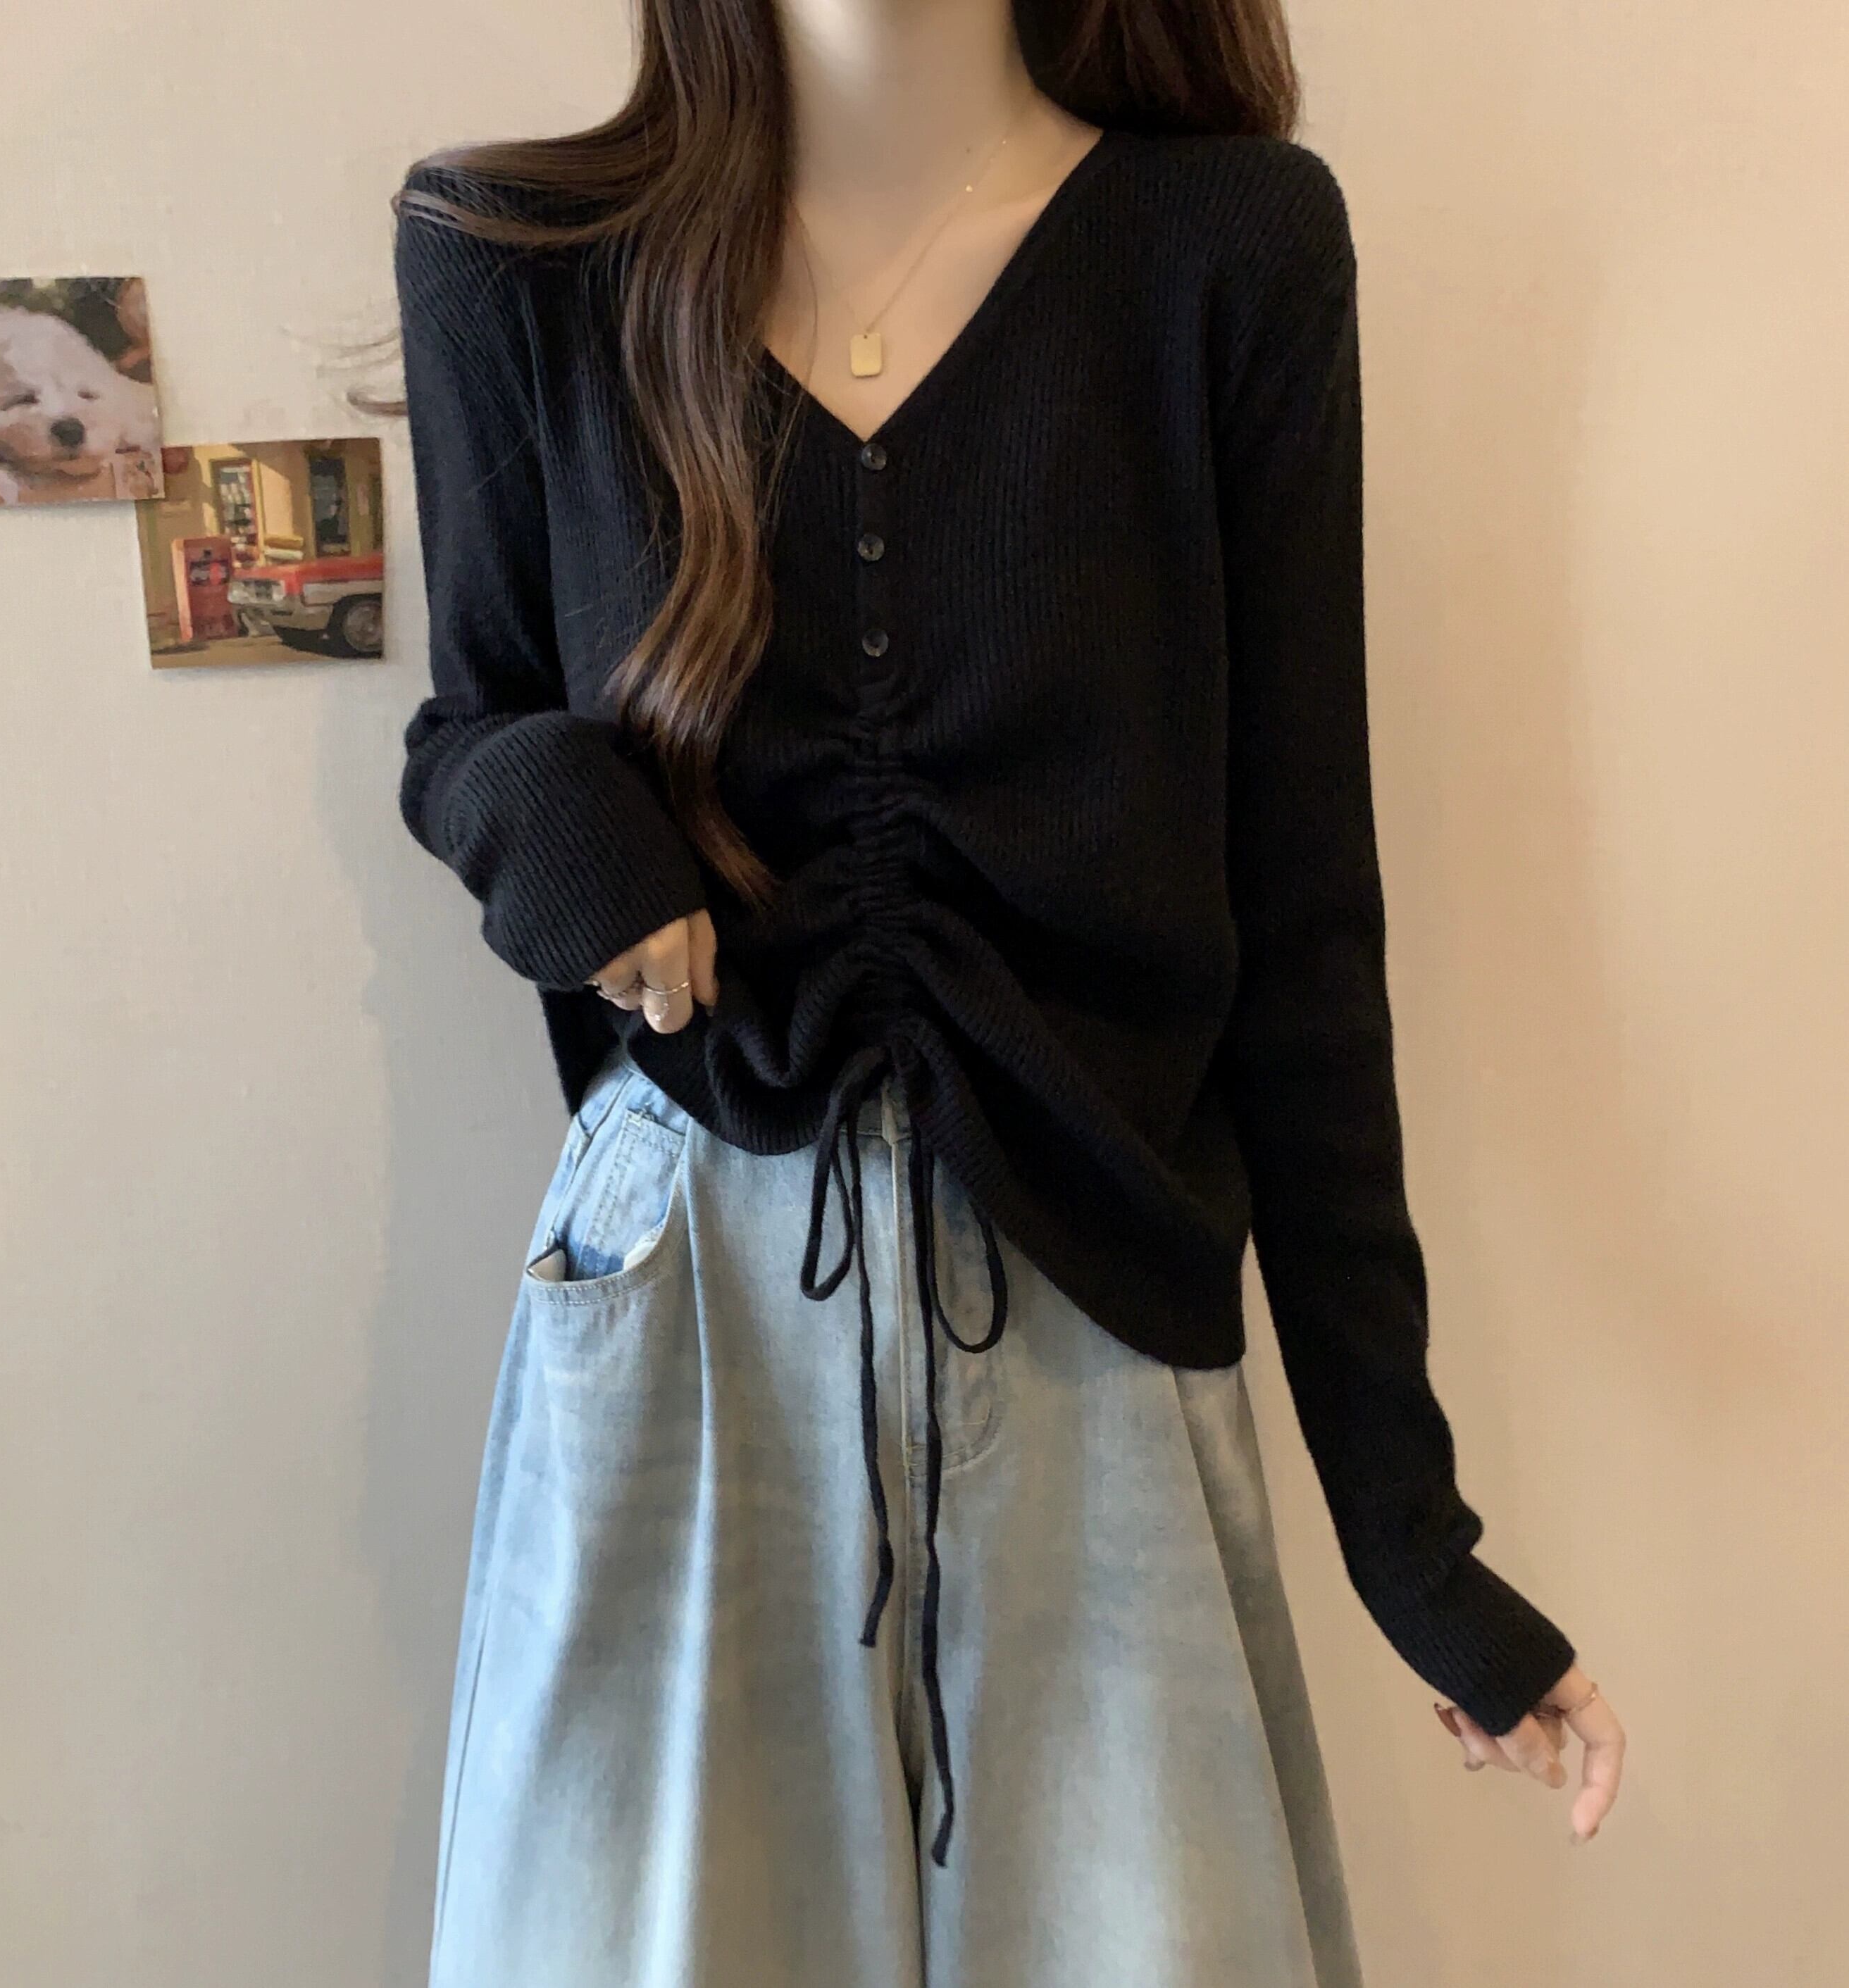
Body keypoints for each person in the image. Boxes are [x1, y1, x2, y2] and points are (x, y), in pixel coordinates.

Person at [381, 1, 1626, 1982]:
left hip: (1097, 1300)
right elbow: (469, 724)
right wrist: (555, 803)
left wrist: (1414, 1541)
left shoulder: (1230, 247)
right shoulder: (517, 256)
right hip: (688, 1288)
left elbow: (1301, 920)